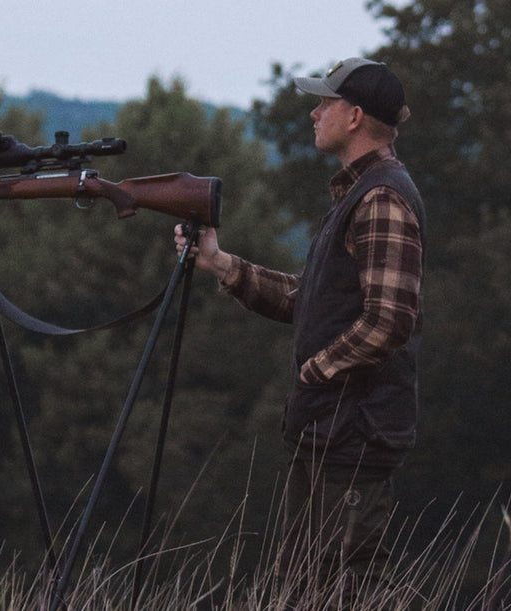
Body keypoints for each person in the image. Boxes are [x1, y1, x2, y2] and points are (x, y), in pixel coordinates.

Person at [175, 57, 425, 605]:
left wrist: (318, 370)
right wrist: (221, 265)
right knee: (308, 586)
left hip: (352, 434)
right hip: (331, 431)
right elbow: (314, 301)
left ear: (355, 116)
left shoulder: (381, 199)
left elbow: (390, 319)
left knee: (353, 587)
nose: (314, 113)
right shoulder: (359, 195)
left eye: (324, 103)